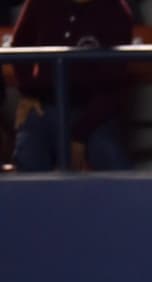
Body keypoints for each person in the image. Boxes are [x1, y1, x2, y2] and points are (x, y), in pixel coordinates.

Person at [10, 0, 133, 171]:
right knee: (28, 152)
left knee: (110, 156)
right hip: (44, 106)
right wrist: (28, 93)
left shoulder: (115, 10)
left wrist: (79, 136)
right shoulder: (39, 3)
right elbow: (19, 46)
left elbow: (113, 84)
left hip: (93, 114)